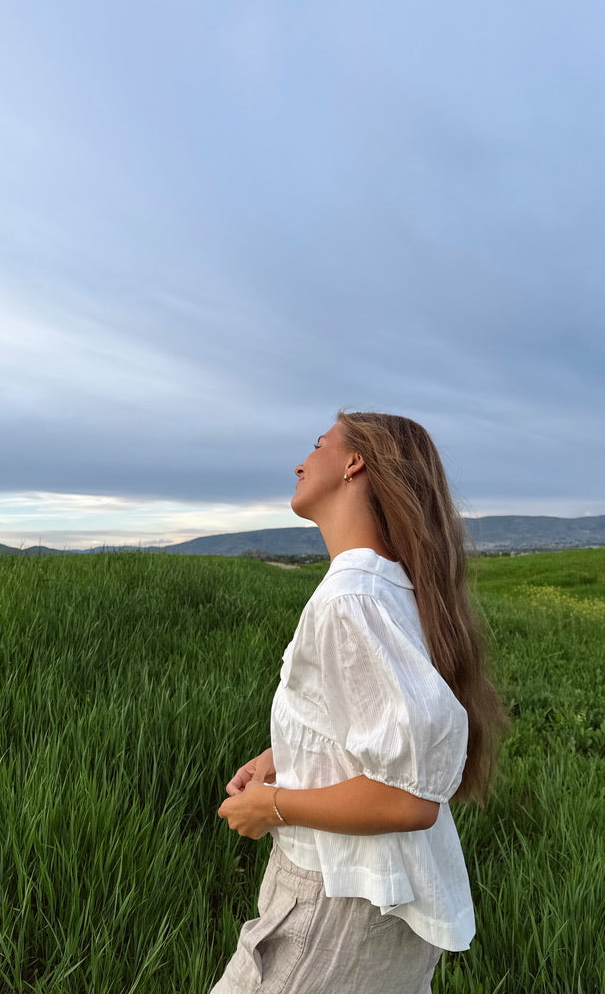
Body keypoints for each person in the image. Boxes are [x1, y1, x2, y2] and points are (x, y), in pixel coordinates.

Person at [211, 411, 507, 994]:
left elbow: (407, 797)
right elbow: (372, 729)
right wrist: (287, 755)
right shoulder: (392, 588)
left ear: (355, 464)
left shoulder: (353, 598)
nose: (301, 462)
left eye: (318, 445)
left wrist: (271, 805)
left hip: (336, 903)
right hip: (370, 900)